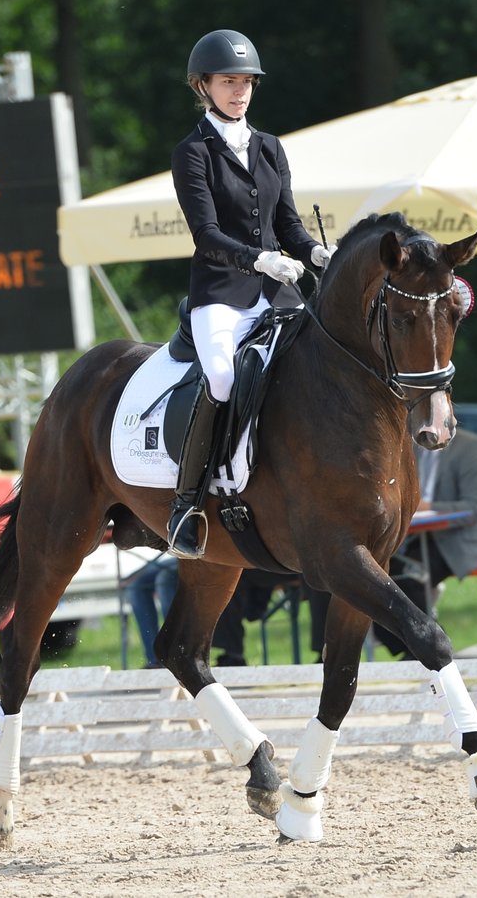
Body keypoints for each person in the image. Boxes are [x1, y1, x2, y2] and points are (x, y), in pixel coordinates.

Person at [167, 29, 335, 559]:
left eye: (246, 83)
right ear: (204, 85)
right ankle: (189, 502)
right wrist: (256, 258)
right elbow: (207, 235)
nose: (239, 92)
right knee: (221, 376)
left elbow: (288, 223)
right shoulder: (193, 153)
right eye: (228, 82)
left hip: (279, 295)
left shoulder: (269, 147)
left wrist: (316, 254)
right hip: (221, 293)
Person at [377, 429, 477, 658]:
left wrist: (429, 508)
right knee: (374, 580)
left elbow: (473, 508)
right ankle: (417, 647)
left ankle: (429, 645)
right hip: (413, 539)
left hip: (461, 541)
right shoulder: (409, 447)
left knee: (407, 577)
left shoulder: (471, 448)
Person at [124, 555, 178, 668]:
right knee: (136, 585)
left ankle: (176, 655)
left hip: (201, 553)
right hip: (179, 554)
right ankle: (156, 660)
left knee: (164, 579)